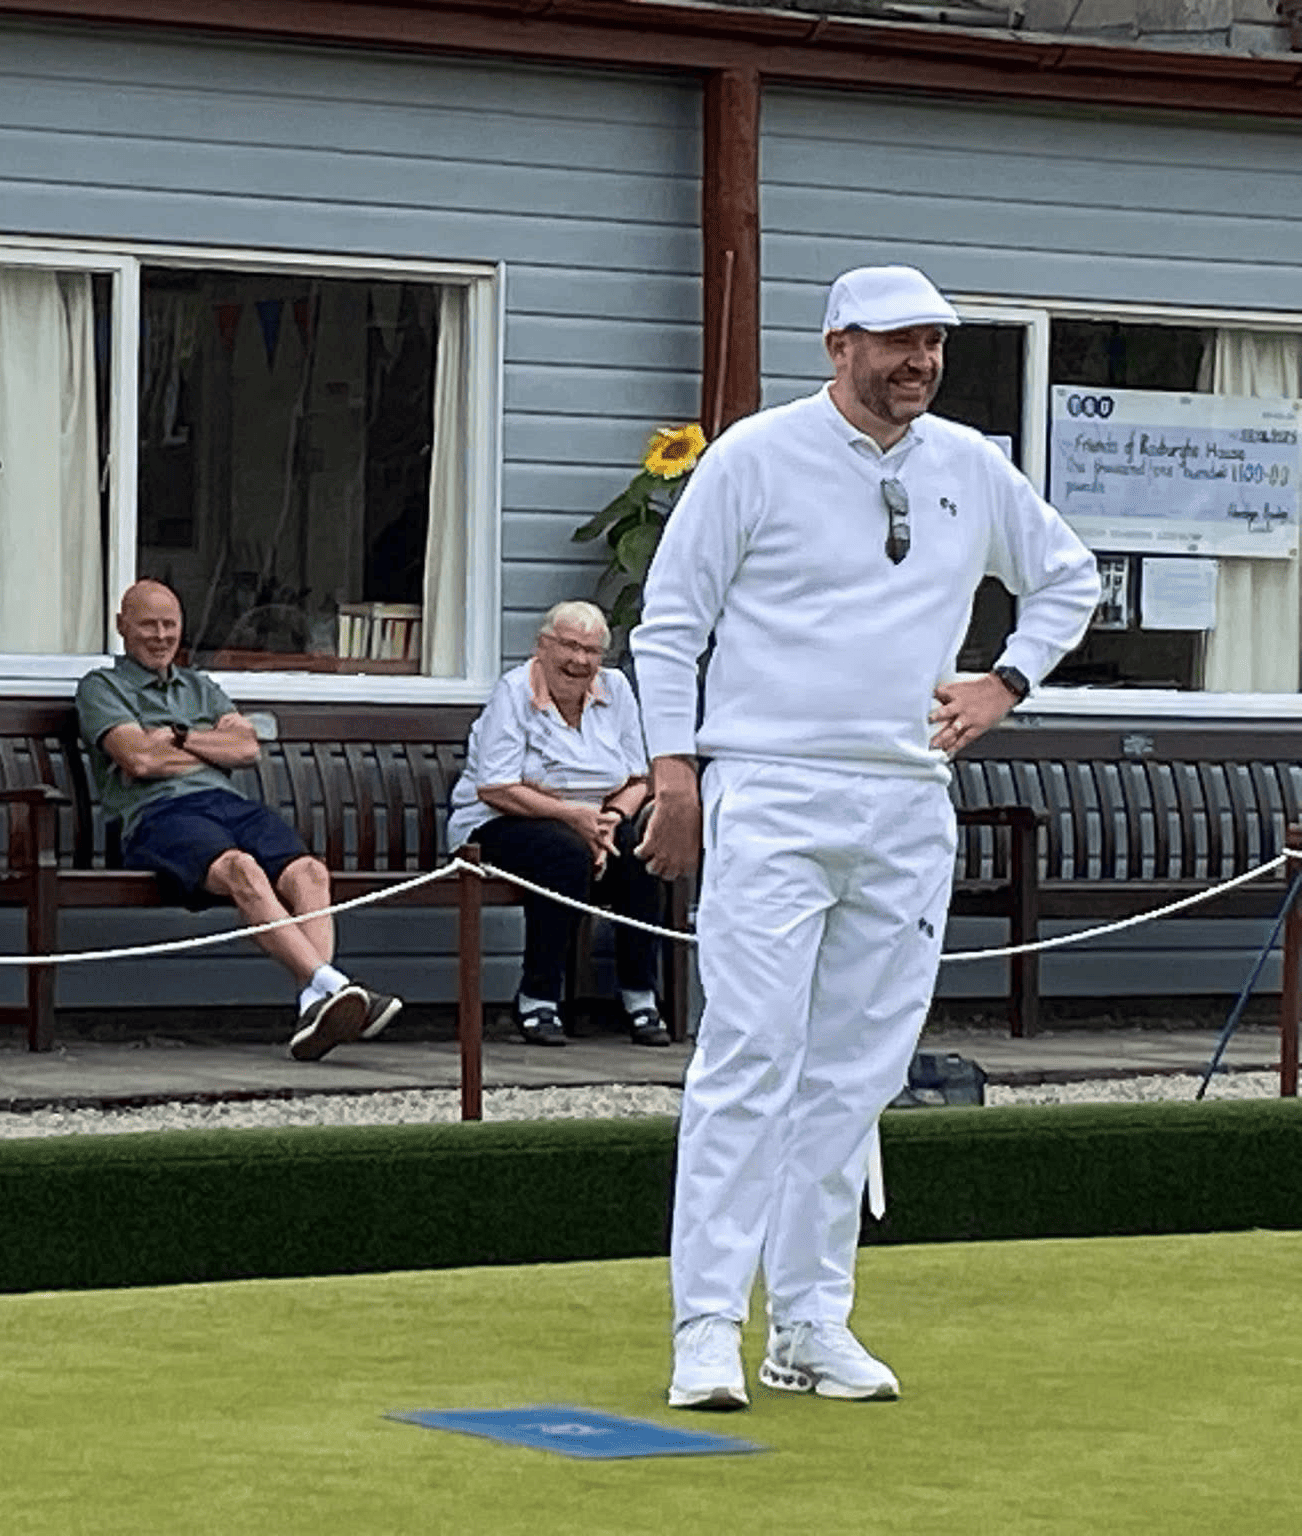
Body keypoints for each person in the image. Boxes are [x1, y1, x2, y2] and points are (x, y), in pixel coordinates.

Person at [632, 265, 1099, 1411]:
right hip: (772, 791)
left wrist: (1003, 681)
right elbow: (668, 625)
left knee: (856, 1072)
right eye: (897, 341)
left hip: (903, 801)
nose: (919, 363)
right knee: (747, 1055)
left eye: (933, 343)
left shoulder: (969, 466)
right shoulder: (751, 455)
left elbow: (1066, 579)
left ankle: (808, 1324)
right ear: (836, 342)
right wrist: (673, 775)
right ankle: (704, 1328)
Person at [77, 580, 402, 1060]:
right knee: (242, 871)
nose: (161, 635)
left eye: (170, 624)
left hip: (227, 805)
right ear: (122, 625)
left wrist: (178, 737)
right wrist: (209, 749)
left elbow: (247, 748)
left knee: (310, 872)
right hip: (157, 815)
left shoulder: (199, 686)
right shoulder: (102, 687)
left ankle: (316, 998)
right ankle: (330, 988)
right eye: (148, 624)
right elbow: (139, 762)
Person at [445, 600, 669, 1048]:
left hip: (594, 821)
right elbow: (496, 787)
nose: (580, 660)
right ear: (542, 646)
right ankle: (538, 997)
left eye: (591, 650)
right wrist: (575, 818)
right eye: (569, 646)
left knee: (642, 850)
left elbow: (638, 778)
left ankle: (640, 995)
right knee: (563, 854)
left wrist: (610, 820)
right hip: (498, 822)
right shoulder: (514, 692)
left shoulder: (616, 690)